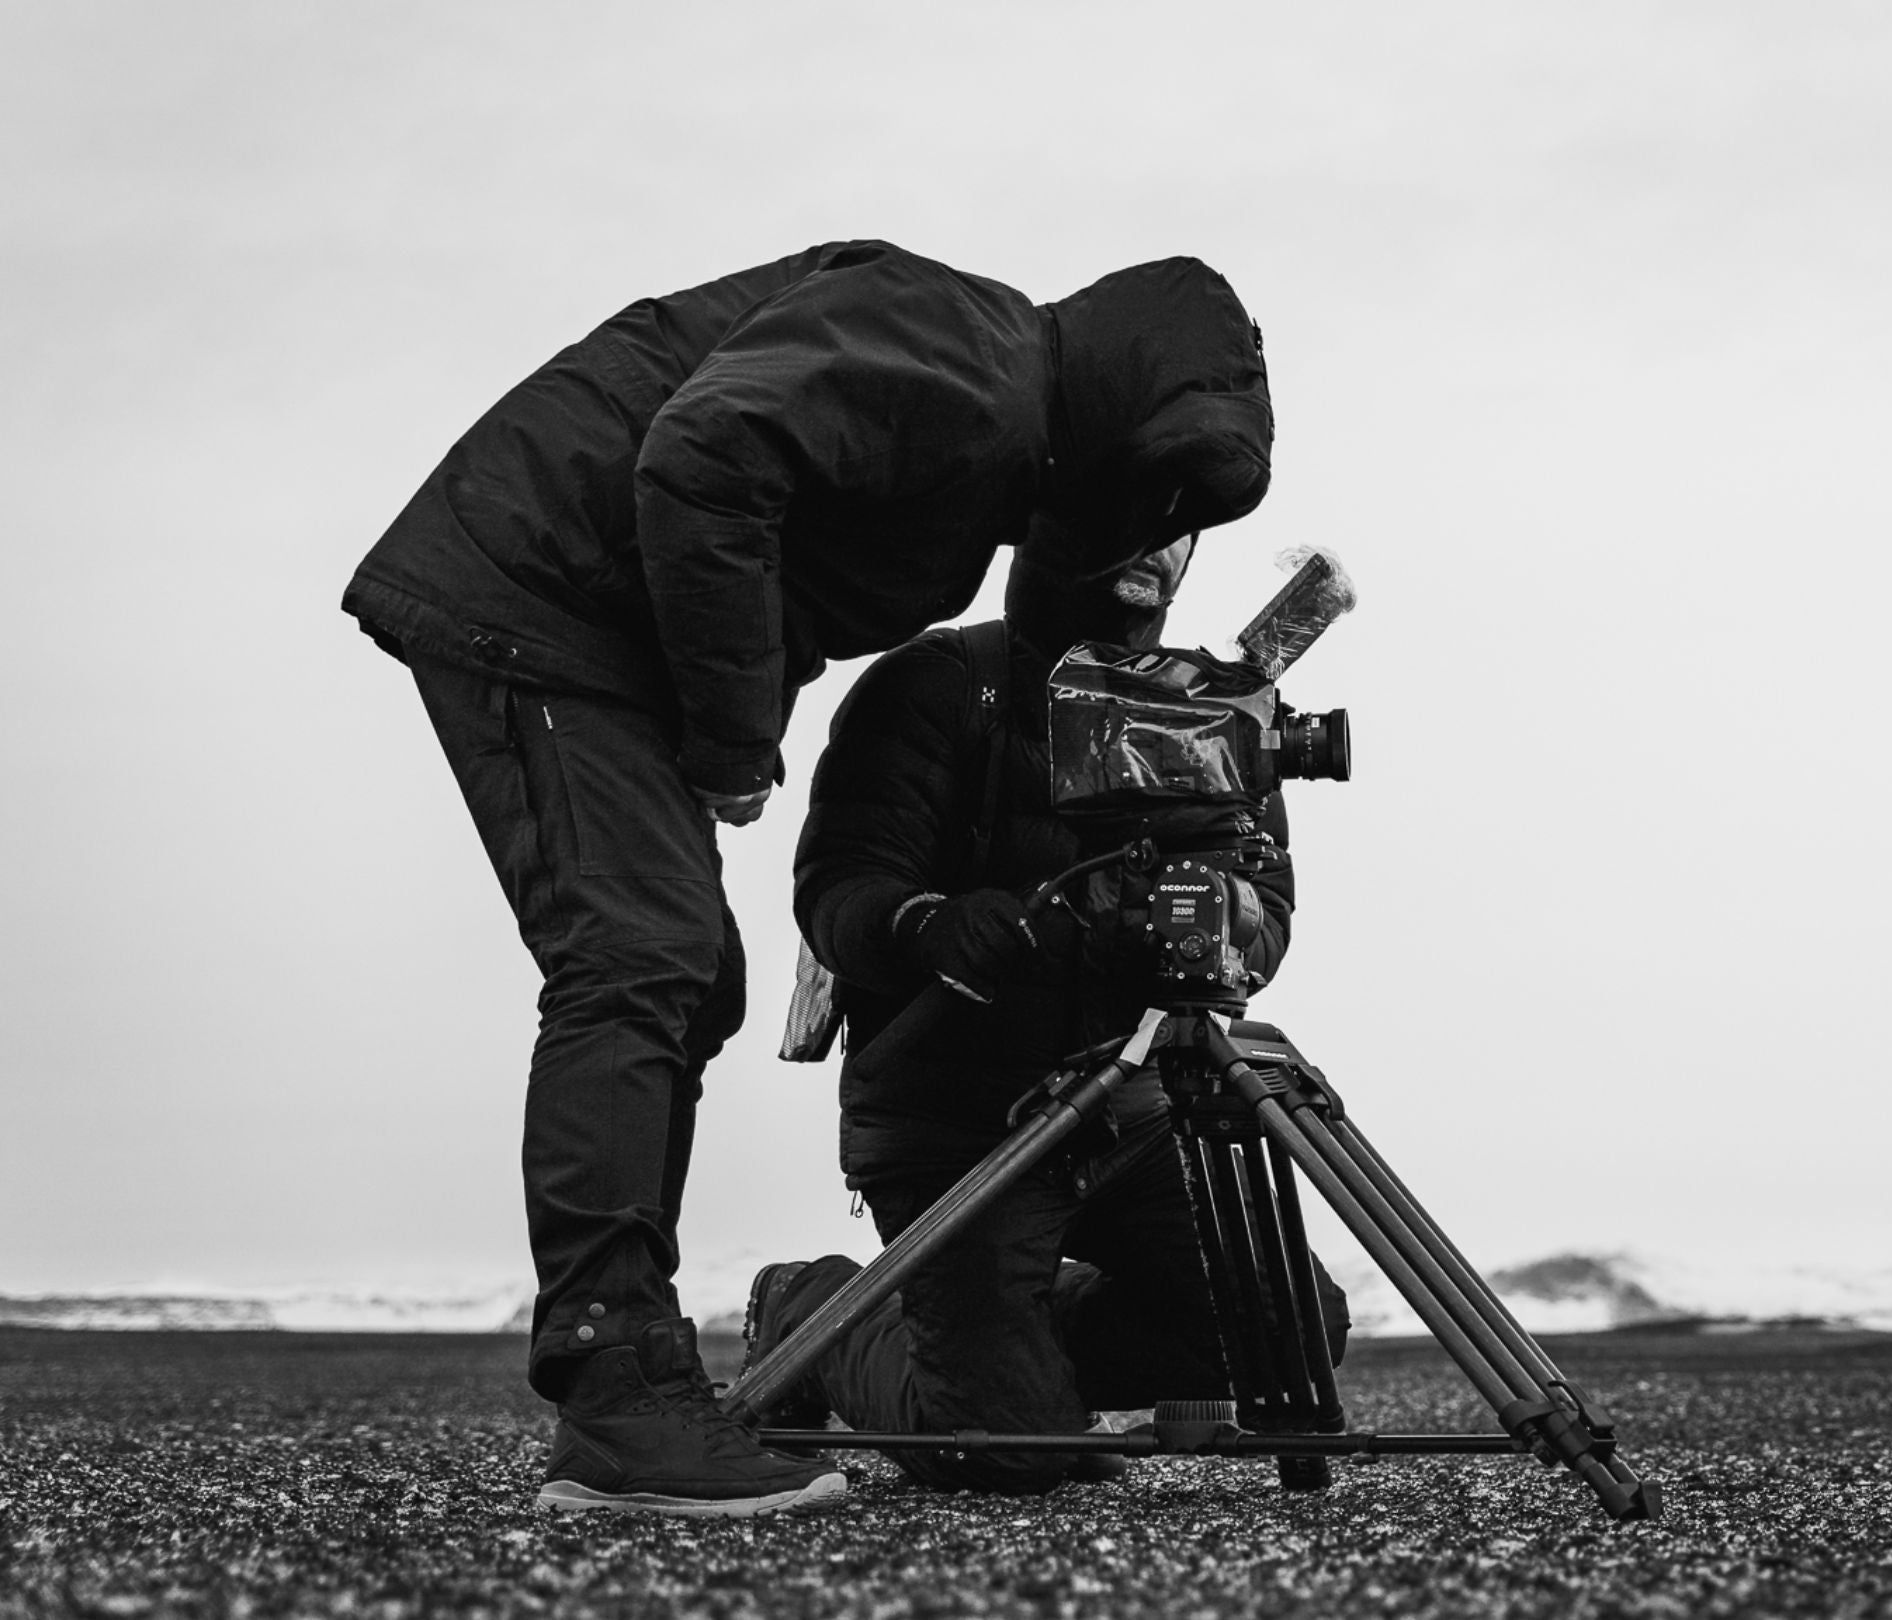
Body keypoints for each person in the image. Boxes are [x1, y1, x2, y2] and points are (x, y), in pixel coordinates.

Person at [341, 242, 1273, 1516]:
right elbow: (706, 458)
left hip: (596, 625)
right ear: (1131, 410)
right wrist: (736, 747)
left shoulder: (994, 447)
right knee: (642, 961)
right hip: (543, 594)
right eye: (1155, 491)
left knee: (683, 973)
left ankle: (664, 1384)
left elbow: (776, 550)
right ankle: (622, 1395)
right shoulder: (969, 365)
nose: (1148, 533)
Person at [740, 540, 1347, 1496]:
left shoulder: (1208, 717)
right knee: (1006, 1453)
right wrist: (929, 927)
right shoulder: (943, 684)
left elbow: (1264, 920)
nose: (1154, 547)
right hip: (956, 1119)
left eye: (1178, 533)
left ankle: (1011, 1350)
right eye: (1131, 520)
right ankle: (813, 1309)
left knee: (1294, 1333)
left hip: (1128, 1104)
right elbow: (839, 888)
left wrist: (1218, 921)